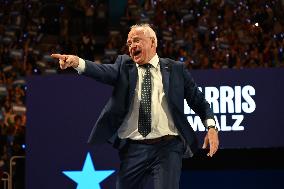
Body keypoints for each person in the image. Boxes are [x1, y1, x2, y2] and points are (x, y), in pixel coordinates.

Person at [51, 23, 219, 189]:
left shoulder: (176, 69)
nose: (132, 46)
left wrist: (211, 127)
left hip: (167, 147)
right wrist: (77, 62)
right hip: (133, 149)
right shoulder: (124, 66)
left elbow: (199, 102)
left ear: (153, 42)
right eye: (129, 43)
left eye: (137, 40)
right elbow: (101, 71)